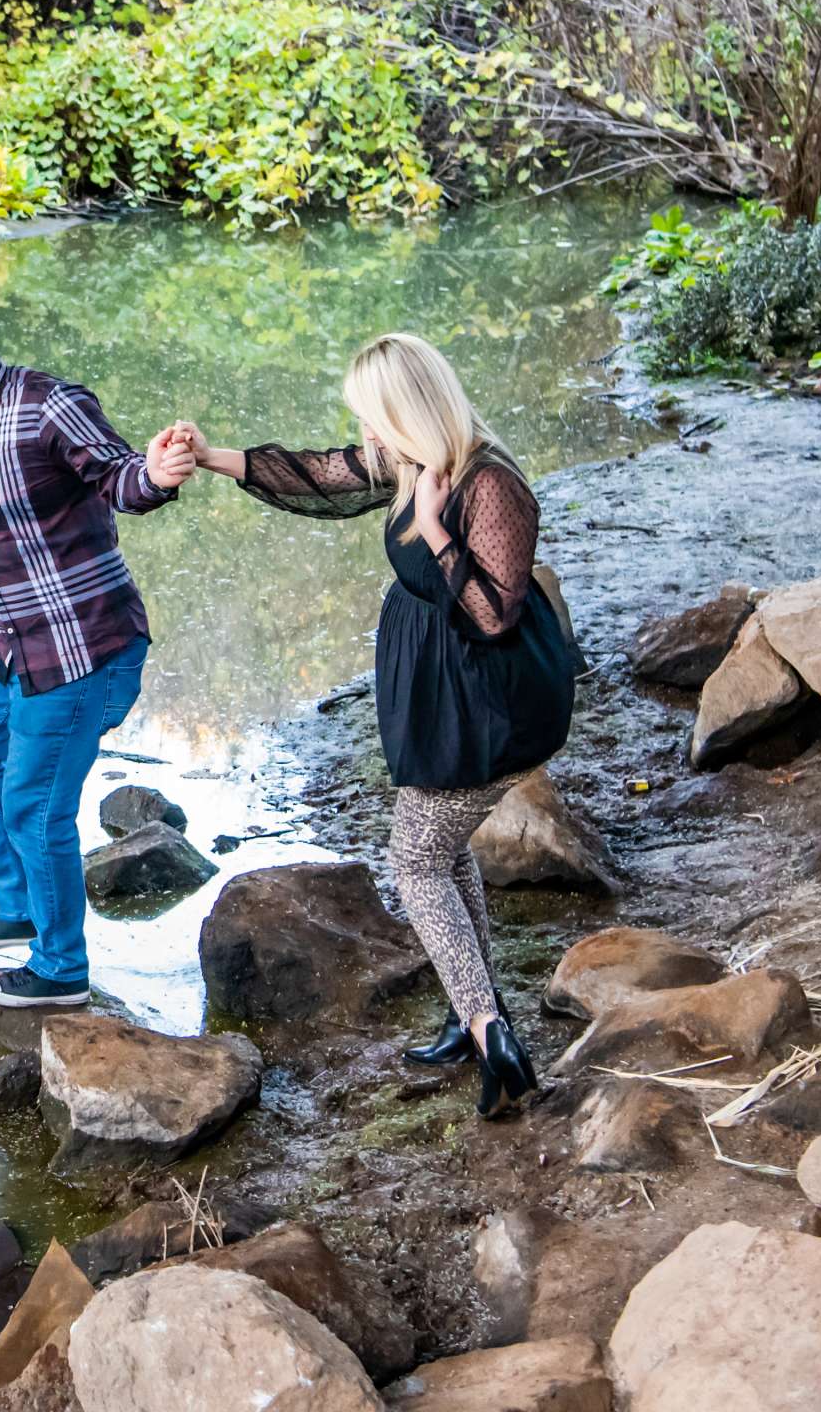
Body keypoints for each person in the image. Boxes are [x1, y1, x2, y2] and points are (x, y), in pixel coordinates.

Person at [163, 332, 576, 1116]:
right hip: (443, 693)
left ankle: (493, 1034)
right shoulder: (411, 459)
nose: (366, 439)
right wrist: (215, 457)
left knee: (416, 859)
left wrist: (437, 527)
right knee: (444, 852)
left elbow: (493, 615)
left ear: (409, 412)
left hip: (491, 701)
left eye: (374, 421)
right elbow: (322, 476)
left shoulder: (488, 483)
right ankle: (471, 1013)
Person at [0, 310, 196, 1008]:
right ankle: (21, 903)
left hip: (84, 645)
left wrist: (161, 473)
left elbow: (122, 480)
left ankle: (60, 970)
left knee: (35, 806)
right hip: (14, 639)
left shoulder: (48, 406)